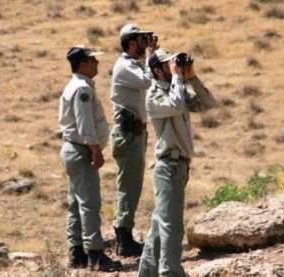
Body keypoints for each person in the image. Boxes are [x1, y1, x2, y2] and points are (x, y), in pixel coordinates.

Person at [138, 48, 217, 277]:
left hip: (179, 167)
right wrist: (177, 78)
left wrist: (191, 77)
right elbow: (176, 105)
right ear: (157, 70)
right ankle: (170, 272)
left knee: (159, 225)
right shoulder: (154, 95)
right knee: (172, 227)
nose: (173, 66)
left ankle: (147, 272)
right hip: (168, 167)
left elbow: (208, 104)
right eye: (167, 63)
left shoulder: (177, 89)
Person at [59, 45, 122, 272]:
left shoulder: (75, 85)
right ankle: (95, 254)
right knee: (89, 204)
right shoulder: (82, 89)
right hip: (81, 150)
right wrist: (96, 150)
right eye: (93, 60)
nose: (97, 63)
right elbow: (85, 124)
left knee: (76, 204)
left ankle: (77, 254)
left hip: (72, 149)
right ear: (83, 64)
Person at [109, 23, 158, 257]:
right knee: (128, 187)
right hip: (127, 135)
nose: (144, 43)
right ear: (130, 43)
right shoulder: (125, 67)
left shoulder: (133, 65)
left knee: (133, 186)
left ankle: (125, 235)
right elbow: (148, 81)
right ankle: (123, 239)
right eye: (140, 40)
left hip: (134, 134)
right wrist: (150, 56)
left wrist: (150, 54)